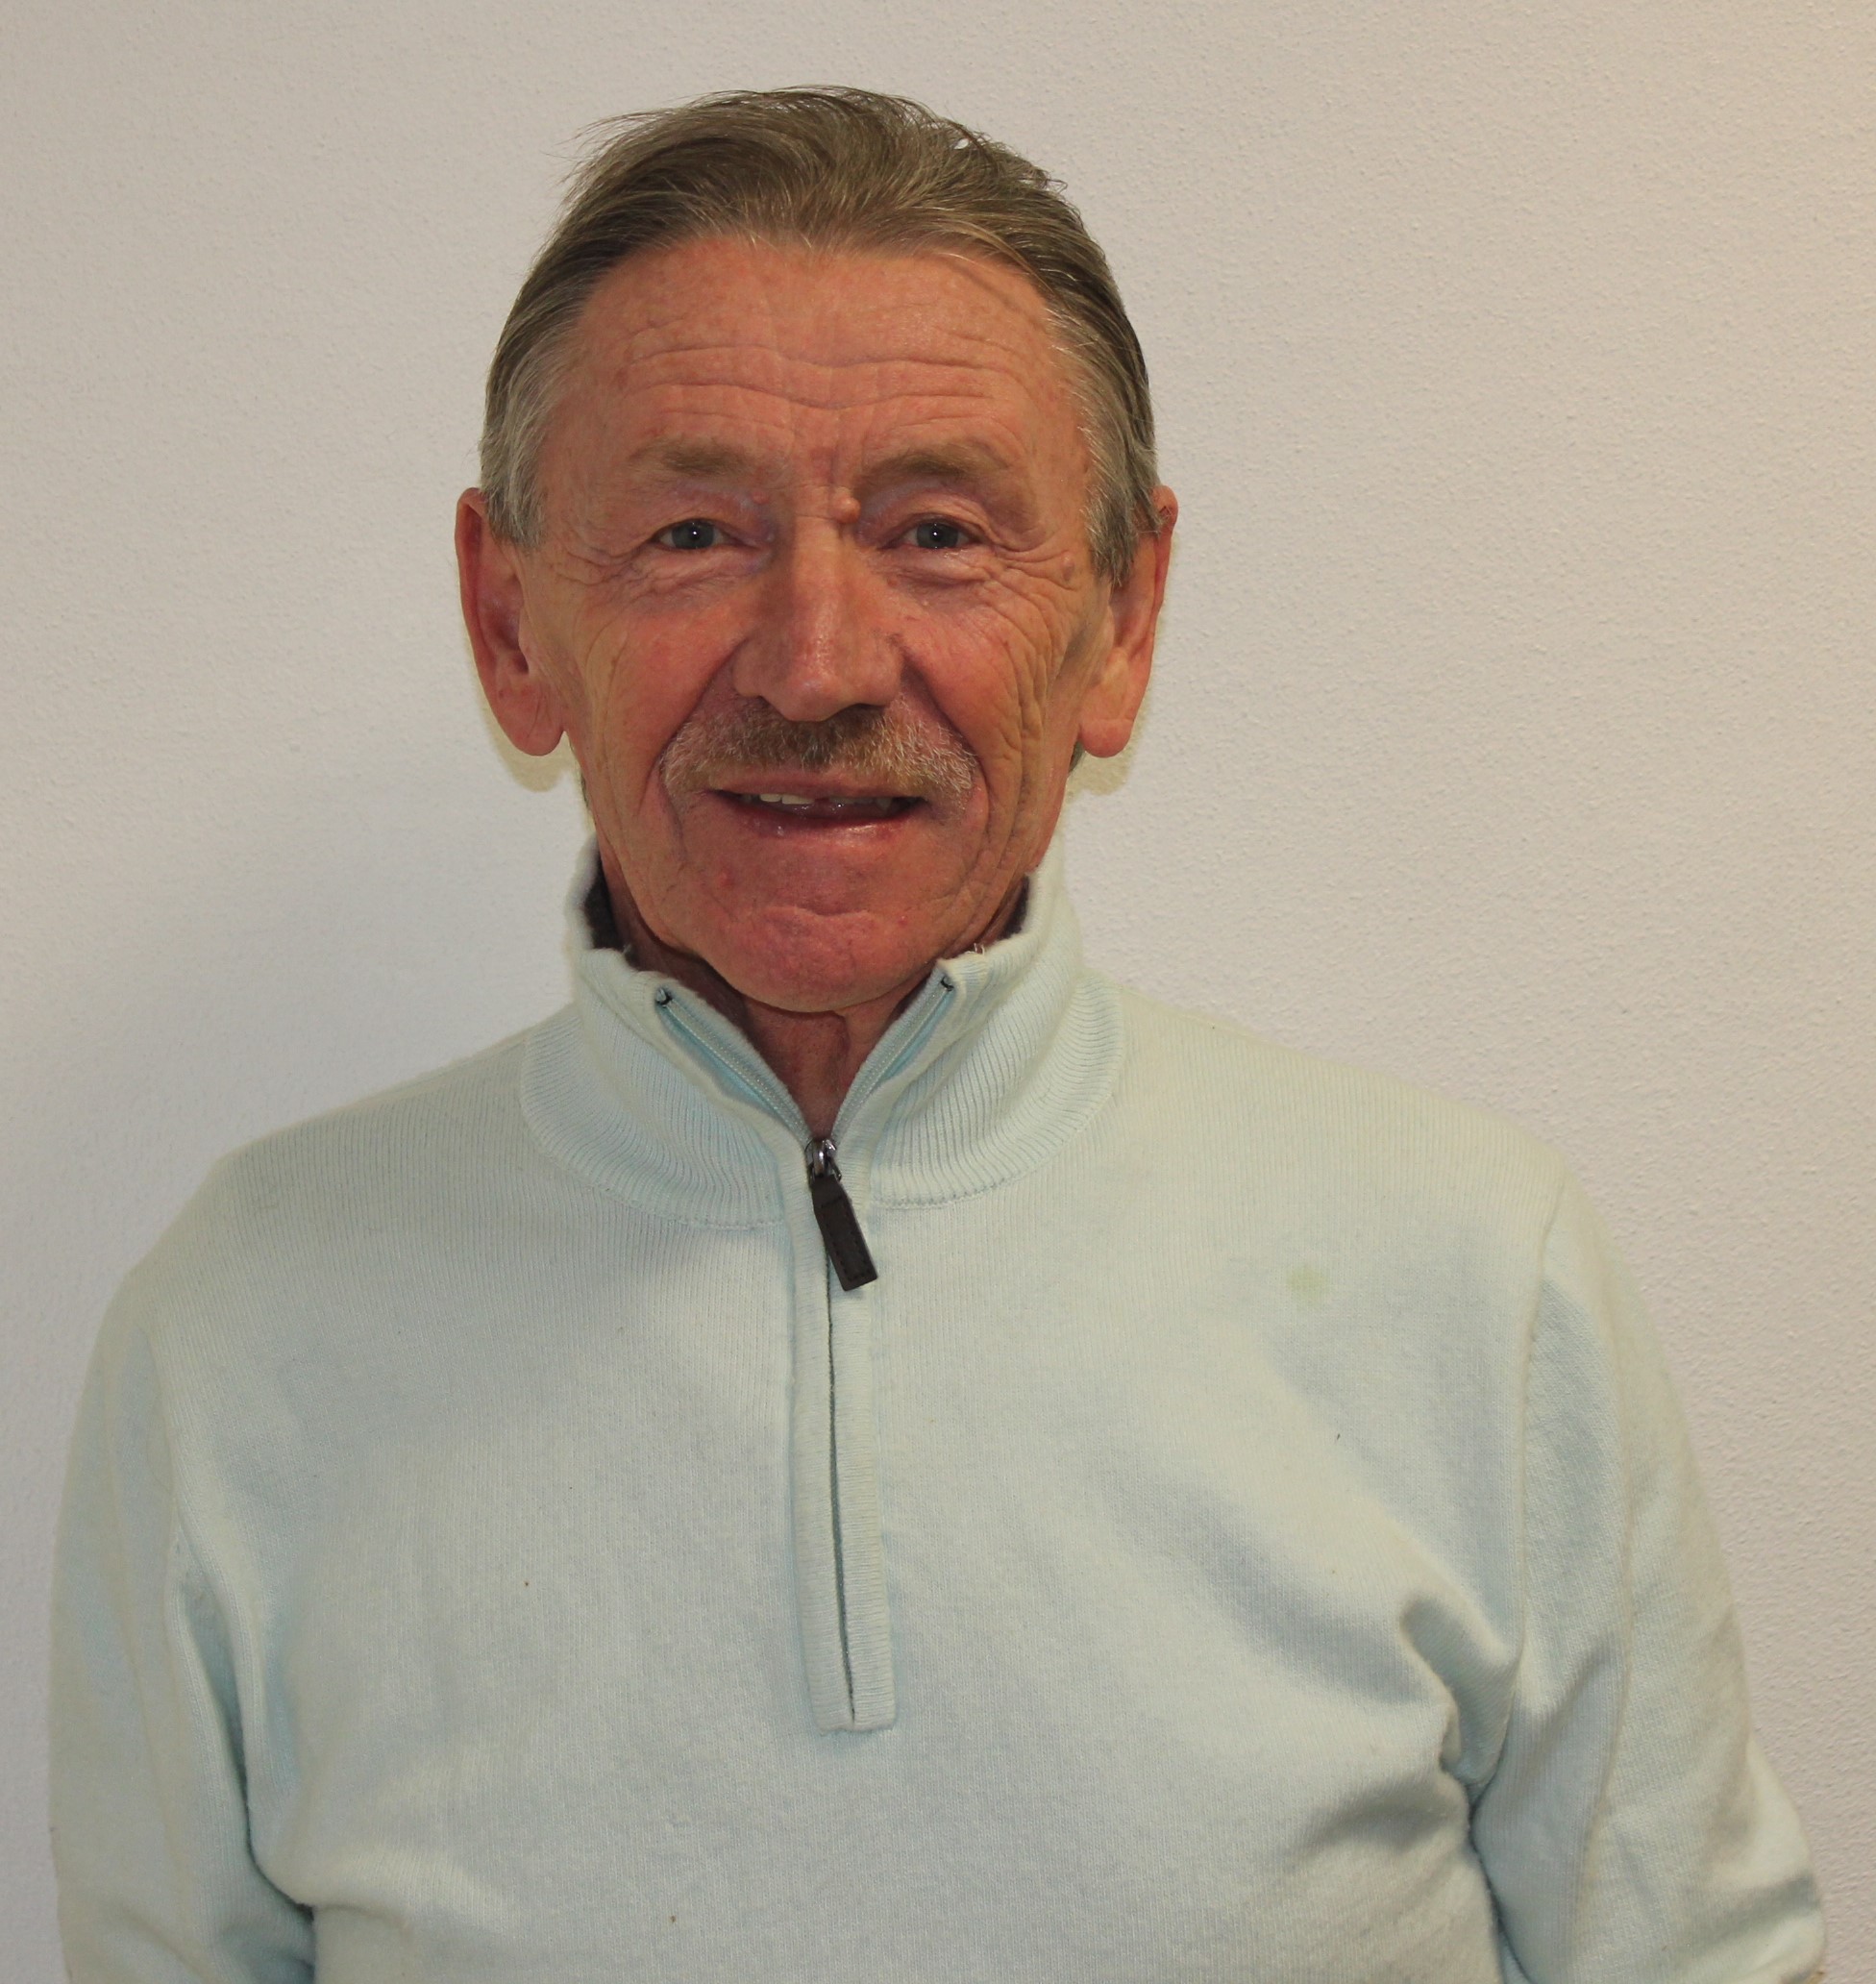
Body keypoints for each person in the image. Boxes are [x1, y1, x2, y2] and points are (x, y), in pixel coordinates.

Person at [50, 87, 1824, 1983]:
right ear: (510, 622)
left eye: (937, 533)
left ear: (1121, 620)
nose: (816, 662)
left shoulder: (1472, 1281)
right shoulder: (242, 1333)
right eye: (694, 531)